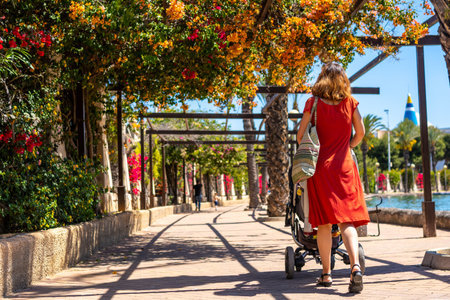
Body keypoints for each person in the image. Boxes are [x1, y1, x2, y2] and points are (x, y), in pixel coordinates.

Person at [296, 62, 369, 293]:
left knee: (324, 224)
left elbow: (300, 136)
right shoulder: (350, 103)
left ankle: (326, 275)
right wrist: (347, 146)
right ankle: (355, 267)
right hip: (345, 166)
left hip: (320, 168)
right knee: (347, 220)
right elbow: (361, 133)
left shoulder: (313, 103)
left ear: (322, 79)